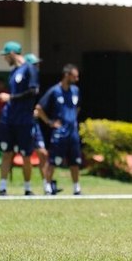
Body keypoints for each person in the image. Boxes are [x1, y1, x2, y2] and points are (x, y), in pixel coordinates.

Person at [0, 41, 39, 196]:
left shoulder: (30, 68)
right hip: (8, 119)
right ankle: (2, 188)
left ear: (13, 54)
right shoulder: (14, 72)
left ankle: (27, 188)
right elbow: (9, 98)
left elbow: (33, 91)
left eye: (5, 55)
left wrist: (11, 97)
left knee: (26, 154)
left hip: (24, 120)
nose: (4, 58)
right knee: (6, 153)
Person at [35, 64, 82, 196]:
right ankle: (48, 187)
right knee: (53, 161)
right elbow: (39, 109)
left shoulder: (75, 91)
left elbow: (77, 108)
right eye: (74, 76)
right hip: (60, 133)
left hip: (73, 133)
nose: (76, 79)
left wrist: (72, 120)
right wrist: (50, 122)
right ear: (66, 75)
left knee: (75, 161)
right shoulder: (54, 91)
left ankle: (77, 188)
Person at [24, 53, 61, 194]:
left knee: (43, 153)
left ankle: (47, 186)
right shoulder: (22, 83)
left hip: (34, 123)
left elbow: (38, 108)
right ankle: (26, 188)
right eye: (34, 65)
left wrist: (47, 121)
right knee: (24, 155)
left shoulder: (36, 82)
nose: (36, 68)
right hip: (23, 123)